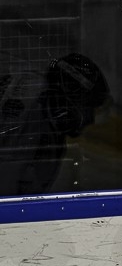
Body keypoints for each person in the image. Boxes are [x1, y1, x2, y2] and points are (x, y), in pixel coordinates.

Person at [0, 53, 110, 196]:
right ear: (65, 109)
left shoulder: (44, 123)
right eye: (88, 110)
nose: (89, 120)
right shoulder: (31, 127)